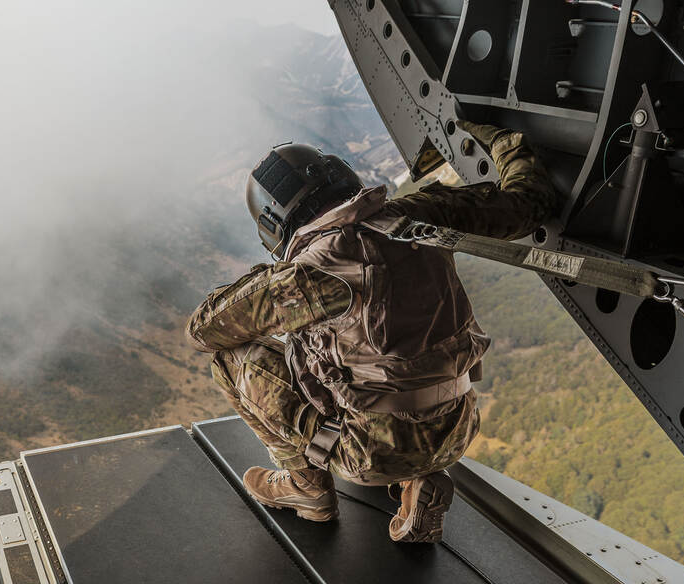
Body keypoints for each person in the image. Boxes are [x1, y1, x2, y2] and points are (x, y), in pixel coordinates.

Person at [186, 121, 556, 542]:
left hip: (370, 456)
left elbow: (202, 331)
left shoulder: (306, 276)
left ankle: (306, 488)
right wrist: (505, 140)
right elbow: (529, 204)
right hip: (458, 428)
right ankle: (421, 478)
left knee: (232, 359)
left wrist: (265, 284)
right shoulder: (420, 215)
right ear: (343, 176)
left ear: (274, 224)